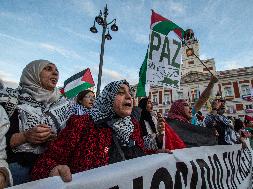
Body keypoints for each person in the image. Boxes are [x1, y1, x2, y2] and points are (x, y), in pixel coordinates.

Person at [31, 80, 170, 182]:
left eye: (130, 93)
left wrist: (154, 155)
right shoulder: (82, 124)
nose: (129, 97)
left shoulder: (132, 126)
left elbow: (138, 154)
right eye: (121, 93)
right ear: (107, 98)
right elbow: (44, 162)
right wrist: (52, 170)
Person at [0, 60, 70, 185]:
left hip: (49, 172)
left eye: (57, 71)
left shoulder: (63, 104)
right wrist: (25, 136)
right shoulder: (10, 99)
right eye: (48, 69)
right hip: (13, 171)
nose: (55, 73)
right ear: (33, 73)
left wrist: (54, 139)